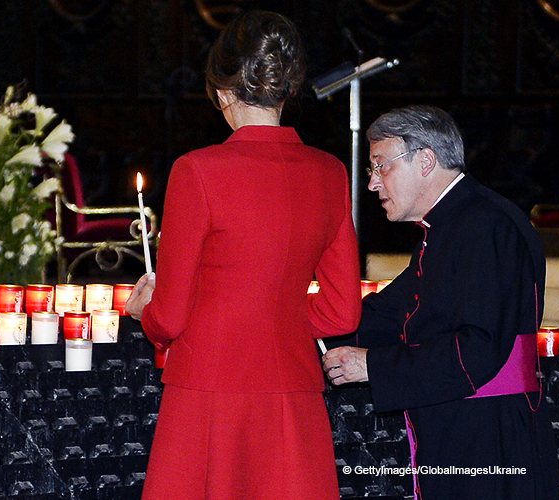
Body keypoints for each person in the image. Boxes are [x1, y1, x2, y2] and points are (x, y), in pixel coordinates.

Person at [124, 11, 361, 500]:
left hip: (208, 391)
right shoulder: (329, 173)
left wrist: (142, 308)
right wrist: (277, 315)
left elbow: (168, 318)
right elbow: (342, 310)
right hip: (292, 393)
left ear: (223, 92)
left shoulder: (198, 171)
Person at [322, 105, 558, 500]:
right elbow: (386, 315)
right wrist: (298, 332)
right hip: (462, 431)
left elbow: (477, 350)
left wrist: (371, 365)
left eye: (381, 166)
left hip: (491, 442)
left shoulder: (486, 226)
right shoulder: (450, 227)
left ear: (426, 160)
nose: (372, 184)